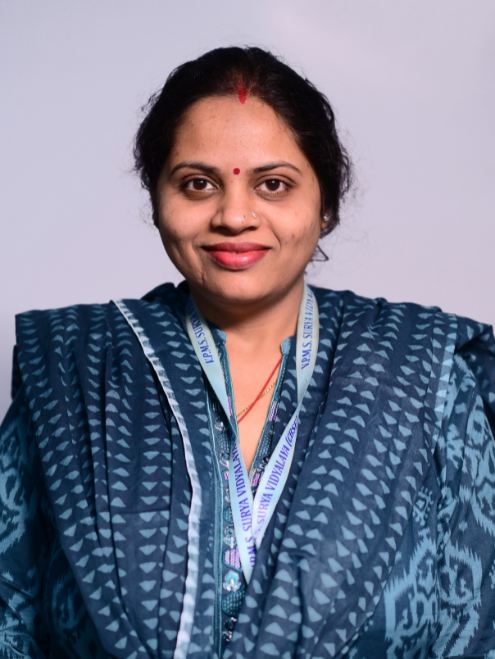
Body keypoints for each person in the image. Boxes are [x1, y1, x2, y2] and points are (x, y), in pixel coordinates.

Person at [0, 46, 494, 659]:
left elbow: (478, 625)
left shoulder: (423, 373)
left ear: (326, 203)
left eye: (273, 184)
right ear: (156, 200)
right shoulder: (78, 374)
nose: (235, 215)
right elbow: (8, 615)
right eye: (198, 184)